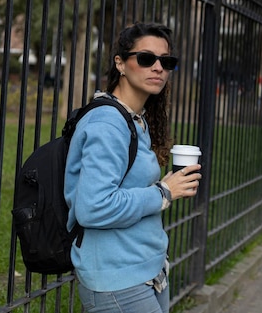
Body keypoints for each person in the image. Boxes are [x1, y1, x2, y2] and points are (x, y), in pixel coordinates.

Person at [64, 22, 202, 313]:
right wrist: (164, 192)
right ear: (121, 63)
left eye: (166, 61)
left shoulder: (134, 119)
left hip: (145, 269)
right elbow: (94, 207)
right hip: (117, 278)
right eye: (145, 58)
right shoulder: (107, 124)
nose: (158, 67)